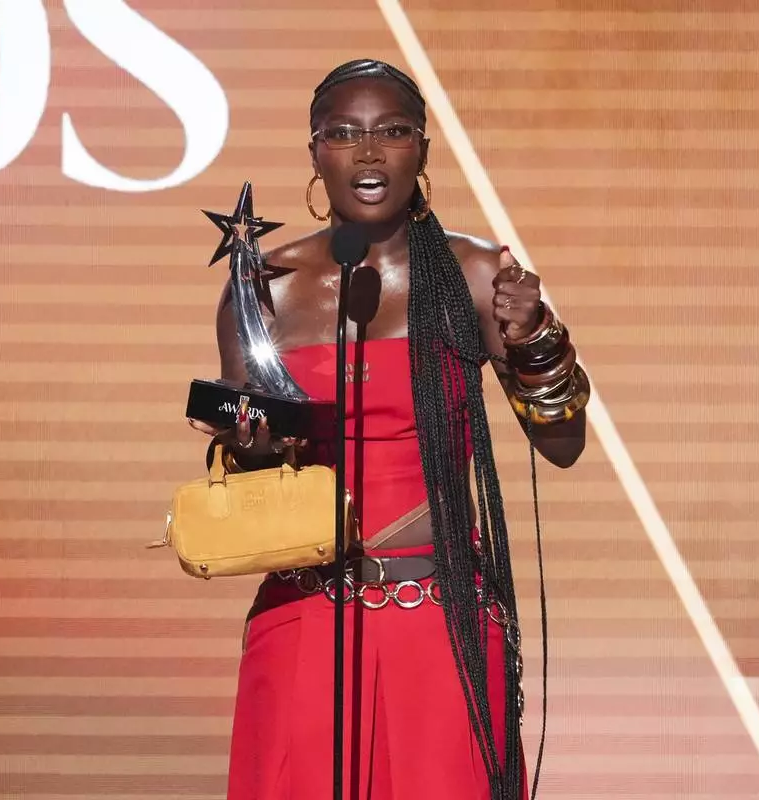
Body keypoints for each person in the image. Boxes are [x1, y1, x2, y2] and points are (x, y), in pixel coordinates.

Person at [188, 59, 588, 800]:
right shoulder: (264, 285)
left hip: (441, 622)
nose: (368, 153)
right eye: (343, 133)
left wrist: (535, 338)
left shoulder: (475, 273)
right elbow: (248, 475)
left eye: (392, 131)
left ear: (423, 149)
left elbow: (563, 444)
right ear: (315, 153)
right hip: (304, 619)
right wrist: (251, 452)